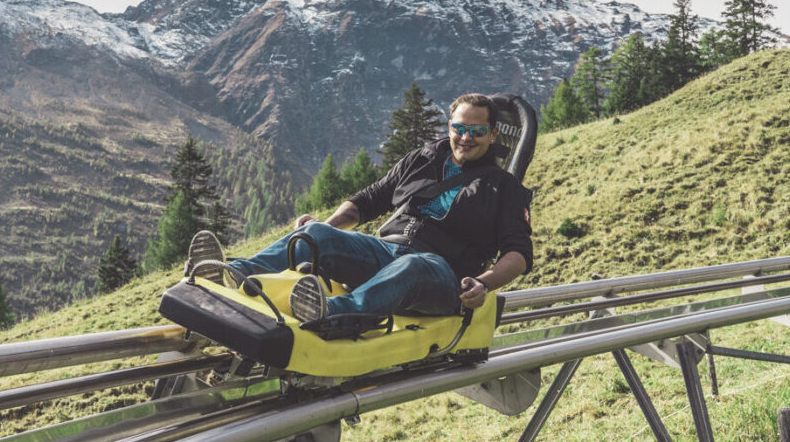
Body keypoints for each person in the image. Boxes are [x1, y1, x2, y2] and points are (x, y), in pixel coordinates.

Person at [188, 93, 533, 335]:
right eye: (459, 128)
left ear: (492, 134)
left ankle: (333, 313)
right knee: (318, 236)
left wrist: (484, 284)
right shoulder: (424, 158)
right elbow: (368, 200)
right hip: (387, 251)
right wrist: (327, 226)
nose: (465, 138)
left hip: (441, 274)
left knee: (412, 265)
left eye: (476, 132)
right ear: (449, 127)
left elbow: (518, 254)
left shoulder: (504, 188)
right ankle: (232, 273)